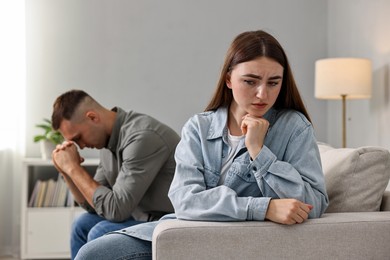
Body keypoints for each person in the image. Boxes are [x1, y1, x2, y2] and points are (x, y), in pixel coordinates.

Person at [74, 30, 329, 260]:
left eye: (273, 82)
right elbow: (185, 200)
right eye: (250, 81)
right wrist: (263, 207)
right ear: (229, 79)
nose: (263, 94)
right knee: (93, 252)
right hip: (185, 231)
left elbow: (314, 202)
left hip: (248, 239)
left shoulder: (294, 127)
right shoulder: (199, 127)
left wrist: (259, 152)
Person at [50, 89, 180, 259]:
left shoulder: (142, 137)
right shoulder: (107, 144)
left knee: (100, 231)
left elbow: (116, 210)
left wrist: (74, 168)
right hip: (139, 218)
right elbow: (93, 206)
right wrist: (67, 172)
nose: (80, 146)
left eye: (78, 137)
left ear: (92, 117)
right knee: (81, 224)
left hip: (167, 224)